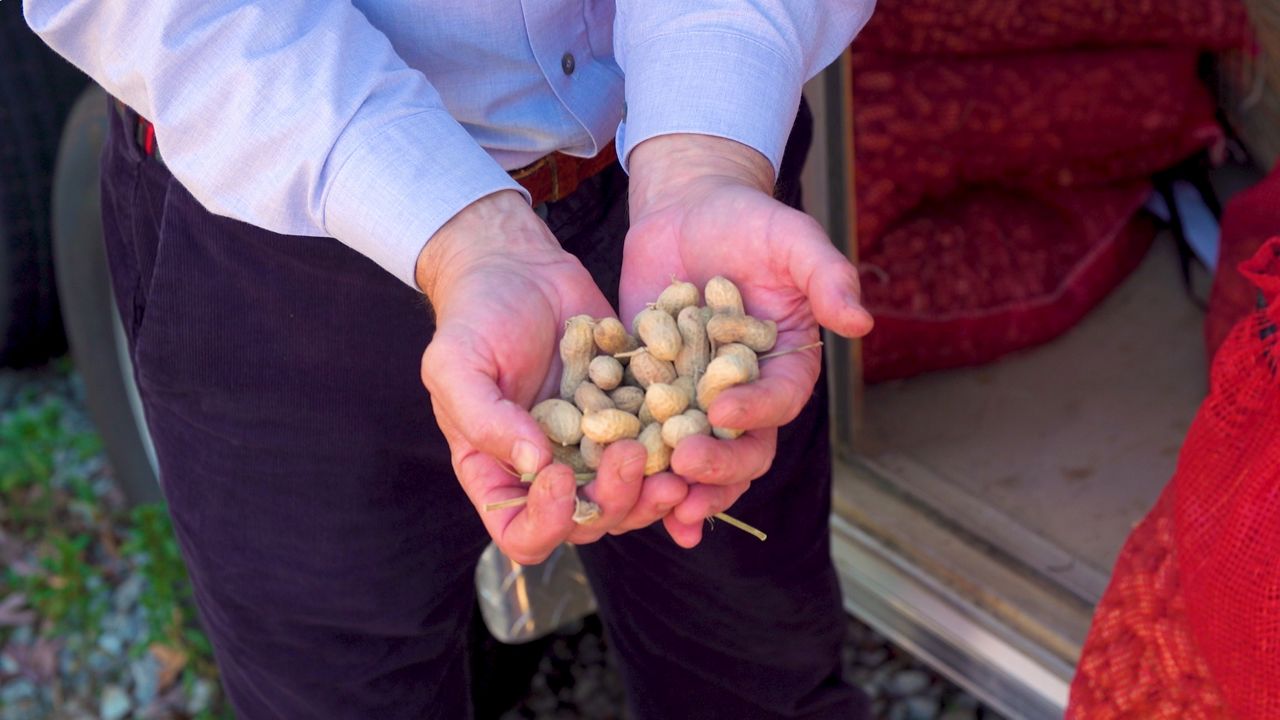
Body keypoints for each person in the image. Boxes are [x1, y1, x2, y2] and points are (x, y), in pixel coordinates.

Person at [25, 2, 876, 717]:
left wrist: (706, 154)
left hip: (687, 171)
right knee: (343, 686)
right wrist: (461, 233)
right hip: (283, 213)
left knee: (752, 653)